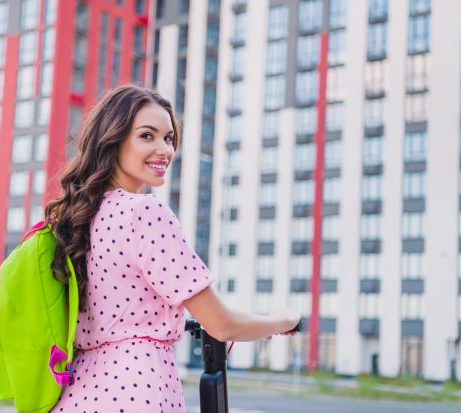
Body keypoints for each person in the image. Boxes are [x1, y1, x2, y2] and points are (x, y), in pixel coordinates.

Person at [46, 85, 300, 413]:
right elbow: (220, 323)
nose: (164, 150)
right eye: (147, 136)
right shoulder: (144, 212)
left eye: (168, 138)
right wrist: (283, 320)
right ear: (113, 139)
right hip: (137, 390)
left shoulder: (77, 219)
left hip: (77, 392)